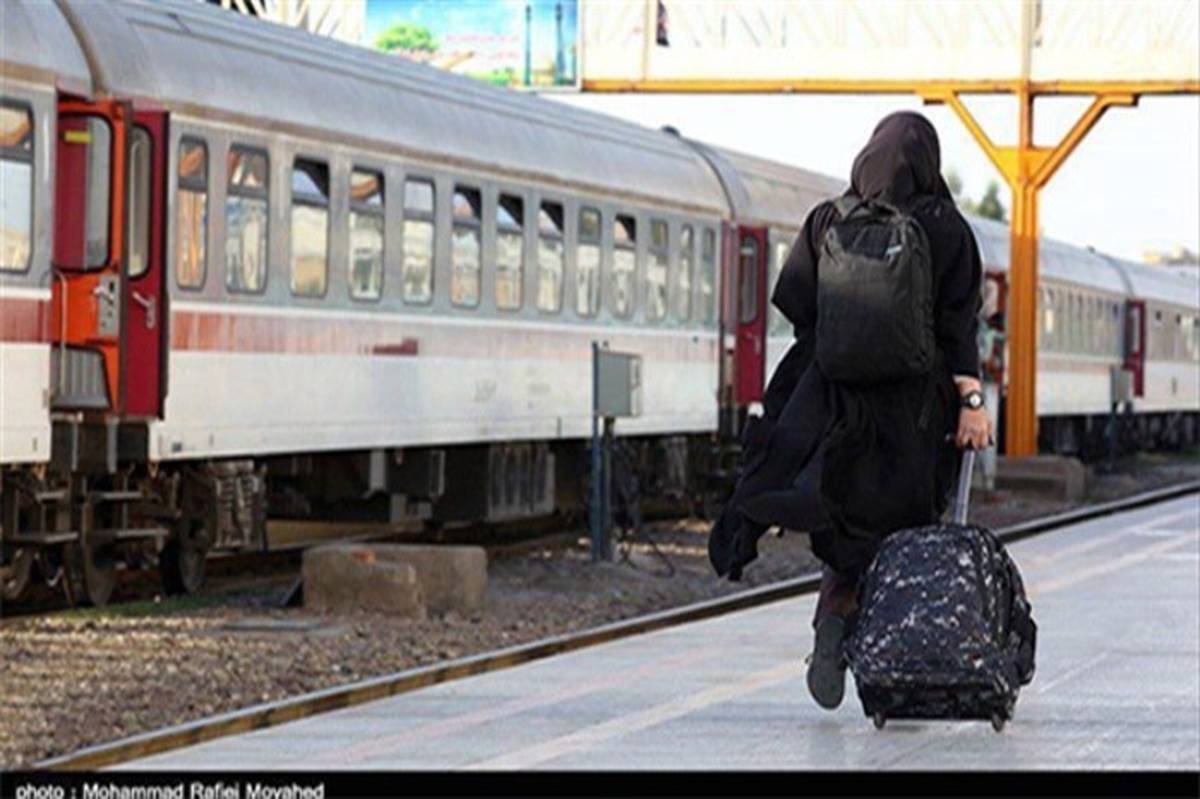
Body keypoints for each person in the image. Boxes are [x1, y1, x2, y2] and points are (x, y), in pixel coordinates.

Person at [707, 111, 992, 710]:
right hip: (915, 414)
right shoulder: (945, 226)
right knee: (908, 534)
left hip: (836, 404)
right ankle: (895, 657)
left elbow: (799, 308)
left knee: (844, 526)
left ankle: (834, 614)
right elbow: (959, 326)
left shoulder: (827, 219)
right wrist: (971, 402)